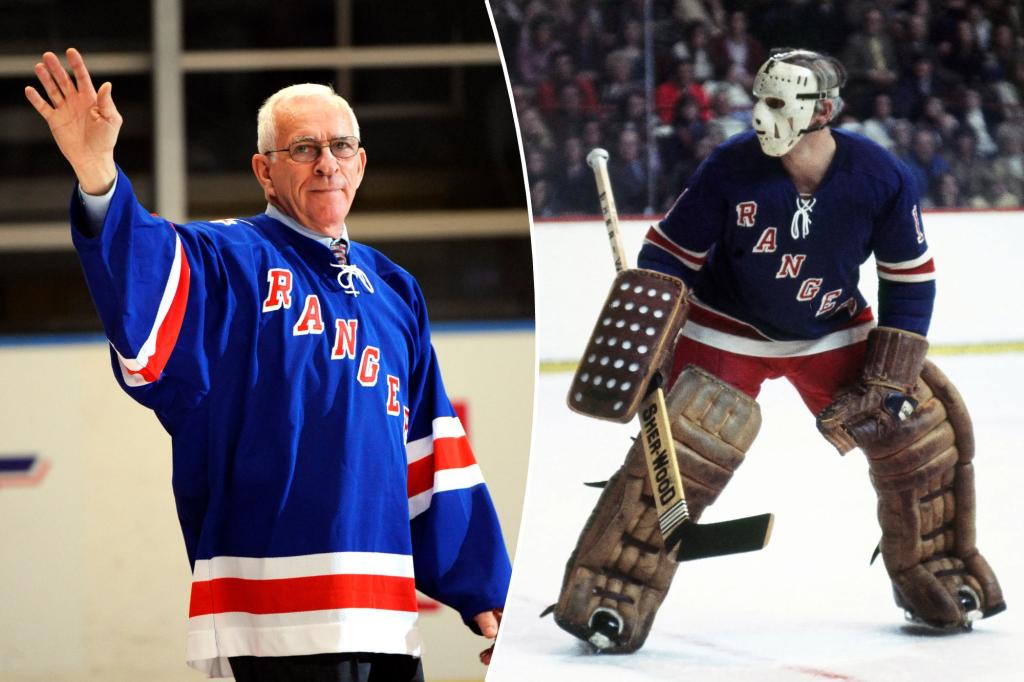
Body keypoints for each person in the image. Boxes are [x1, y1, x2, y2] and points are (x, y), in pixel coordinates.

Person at [26, 48, 510, 681]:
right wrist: (98, 175)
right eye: (303, 149)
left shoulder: (395, 289)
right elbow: (140, 274)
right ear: (264, 169)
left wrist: (486, 593)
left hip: (384, 616)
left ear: (362, 164)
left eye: (340, 146)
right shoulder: (226, 260)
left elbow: (430, 452)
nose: (326, 163)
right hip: (272, 618)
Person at [552, 47, 1005, 654]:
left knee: (919, 433)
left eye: (774, 101)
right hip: (725, 324)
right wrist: (653, 329)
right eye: (758, 98)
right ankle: (612, 586)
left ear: (821, 111)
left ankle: (938, 569)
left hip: (830, 327)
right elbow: (669, 258)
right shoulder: (729, 166)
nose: (758, 113)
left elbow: (909, 276)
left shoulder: (881, 176)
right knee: (683, 446)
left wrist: (893, 373)